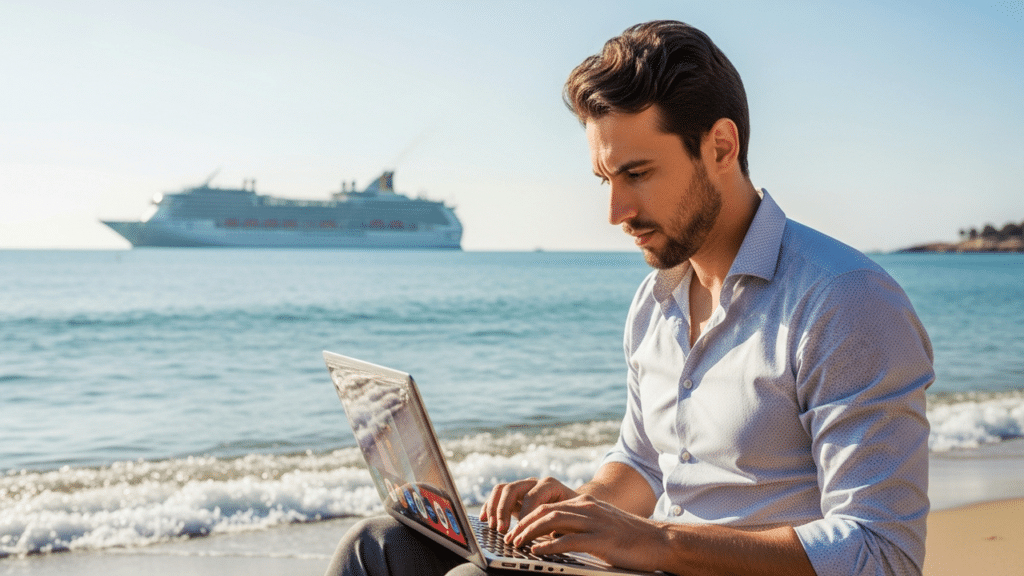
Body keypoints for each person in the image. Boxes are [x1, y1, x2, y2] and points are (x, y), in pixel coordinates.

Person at [326, 20, 933, 576]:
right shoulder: (656, 300)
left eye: (637, 174)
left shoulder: (846, 302)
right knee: (377, 545)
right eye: (606, 180)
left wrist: (657, 541)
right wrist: (576, 509)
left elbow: (881, 551)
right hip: (654, 567)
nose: (615, 212)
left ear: (721, 147)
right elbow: (643, 460)